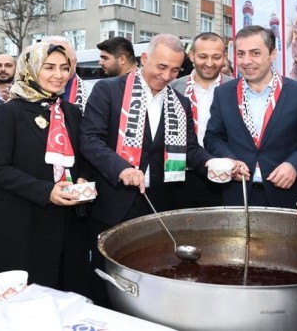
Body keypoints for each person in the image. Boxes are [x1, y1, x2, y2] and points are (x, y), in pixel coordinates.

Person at [80, 33, 212, 306]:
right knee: (107, 280)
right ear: (144, 59)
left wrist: (213, 164)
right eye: (161, 67)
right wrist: (122, 168)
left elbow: (190, 148)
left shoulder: (180, 102)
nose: (167, 76)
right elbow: (90, 140)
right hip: (113, 202)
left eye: (175, 70)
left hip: (157, 205)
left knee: (151, 275)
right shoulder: (108, 90)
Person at [0, 42, 92, 294]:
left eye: (64, 68)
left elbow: (83, 159)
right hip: (24, 220)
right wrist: (46, 191)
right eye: (49, 67)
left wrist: (83, 178)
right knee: (26, 297)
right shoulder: (10, 112)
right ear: (30, 69)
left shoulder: (72, 112)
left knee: (66, 291)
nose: (59, 75)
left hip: (68, 222)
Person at [205, 25, 297, 209]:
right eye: (241, 54)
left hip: (286, 194)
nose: (246, 61)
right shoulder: (224, 93)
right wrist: (230, 160)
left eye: (255, 53)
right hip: (239, 193)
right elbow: (213, 138)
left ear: (272, 54)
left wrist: (294, 165)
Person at [170, 32, 234, 208]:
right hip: (180, 175)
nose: (209, 63)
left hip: (225, 175)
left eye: (216, 57)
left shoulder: (236, 88)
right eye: (203, 56)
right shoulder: (173, 88)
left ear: (224, 57)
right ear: (192, 56)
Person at [43, 36, 88, 111]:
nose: (58, 74)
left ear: (75, 62)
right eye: (50, 67)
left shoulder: (92, 93)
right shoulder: (24, 95)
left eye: (64, 66)